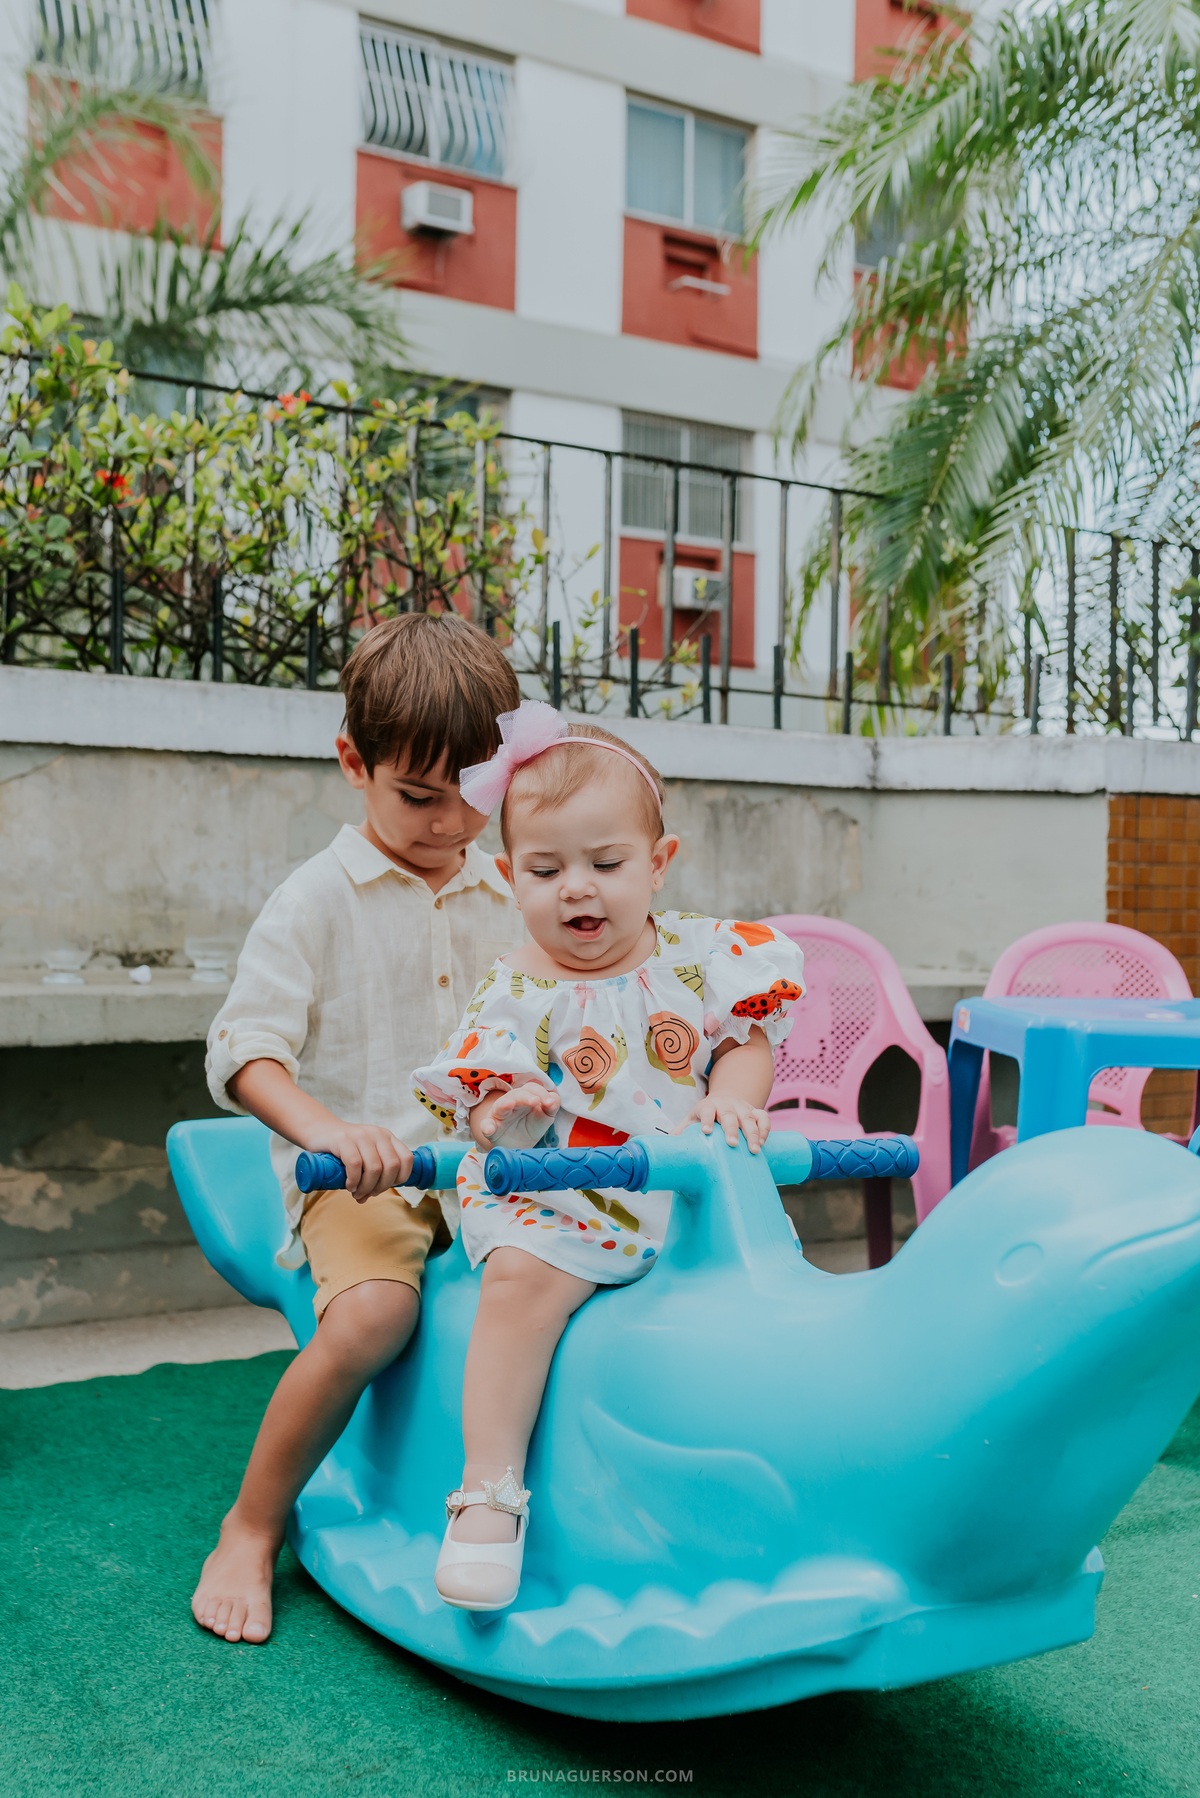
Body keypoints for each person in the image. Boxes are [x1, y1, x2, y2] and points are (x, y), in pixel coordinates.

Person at [410, 702, 805, 1611]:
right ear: (511, 877)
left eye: (606, 864)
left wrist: (732, 1099)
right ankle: (489, 1494)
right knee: (518, 1287)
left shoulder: (707, 958)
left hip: (688, 1191)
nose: (577, 890)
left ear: (658, 864)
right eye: (547, 870)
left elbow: (747, 1041)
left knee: (768, 1297)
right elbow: (480, 1111)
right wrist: (507, 1109)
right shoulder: (517, 990)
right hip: (560, 1199)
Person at [192, 613, 525, 1645]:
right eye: (417, 798)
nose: (446, 826)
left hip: (486, 1170)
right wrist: (329, 1132)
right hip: (363, 1182)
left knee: (579, 1277)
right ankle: (250, 1524)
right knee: (375, 1316)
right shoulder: (314, 900)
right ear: (354, 762)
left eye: (472, 800)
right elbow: (245, 1049)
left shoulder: (513, 889)